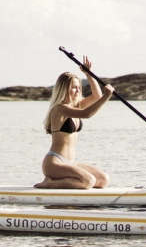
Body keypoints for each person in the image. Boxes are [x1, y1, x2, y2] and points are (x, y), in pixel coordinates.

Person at [34, 56, 115, 189]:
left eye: (78, 87)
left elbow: (96, 97)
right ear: (64, 89)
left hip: (70, 162)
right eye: (73, 87)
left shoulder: (76, 106)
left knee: (103, 180)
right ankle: (50, 183)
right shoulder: (60, 108)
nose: (77, 90)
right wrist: (107, 97)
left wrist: (88, 74)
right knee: (88, 181)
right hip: (55, 162)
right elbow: (87, 114)